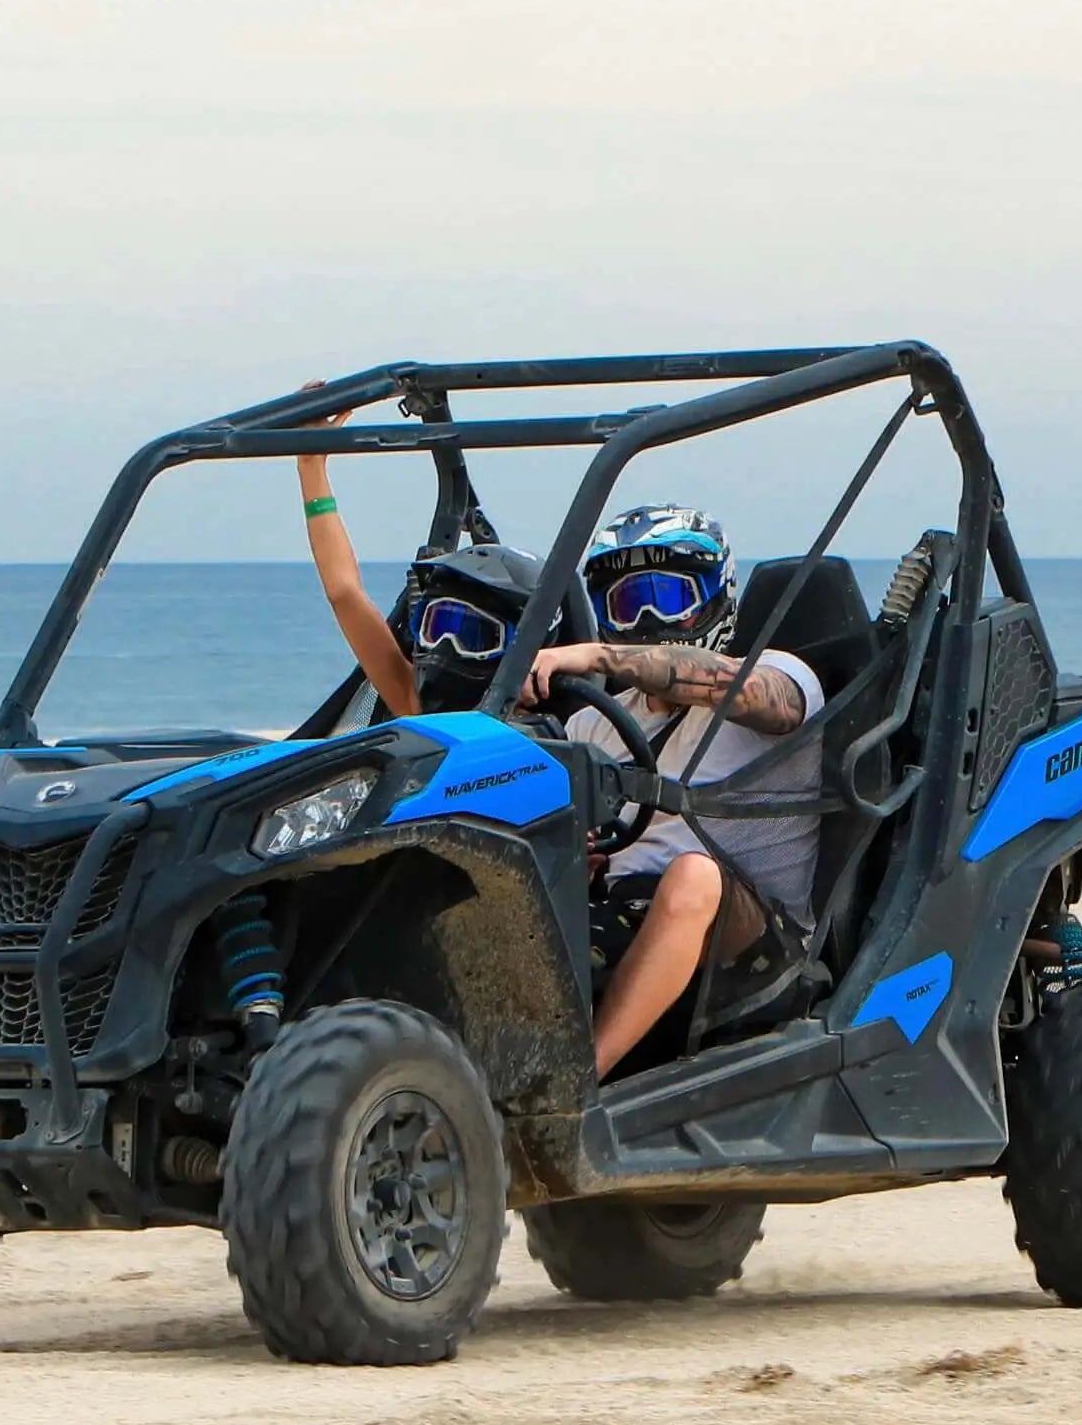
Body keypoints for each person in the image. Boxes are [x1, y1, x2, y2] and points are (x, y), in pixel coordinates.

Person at [521, 505, 826, 1079]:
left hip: (753, 949)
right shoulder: (594, 723)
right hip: (625, 917)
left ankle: (581, 1083)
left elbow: (744, 690)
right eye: (627, 602)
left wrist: (590, 656)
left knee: (692, 875)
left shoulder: (776, 678)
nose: (647, 617)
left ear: (715, 596)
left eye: (667, 596)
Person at [295, 403, 540, 717]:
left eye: (473, 636)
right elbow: (344, 592)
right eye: (437, 627)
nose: (446, 647)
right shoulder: (417, 706)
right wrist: (310, 466)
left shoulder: (567, 729)